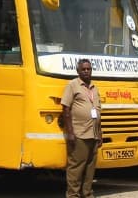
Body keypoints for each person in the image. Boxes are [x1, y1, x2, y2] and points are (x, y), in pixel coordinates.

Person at [62, 59, 101, 198]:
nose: (86, 71)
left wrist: (100, 134)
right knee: (76, 168)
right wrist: (70, 133)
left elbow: (97, 112)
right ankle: (73, 195)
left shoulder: (95, 88)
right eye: (83, 69)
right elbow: (66, 110)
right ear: (78, 71)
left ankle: (87, 194)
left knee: (90, 169)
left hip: (94, 135)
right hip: (79, 134)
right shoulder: (73, 85)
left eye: (89, 69)